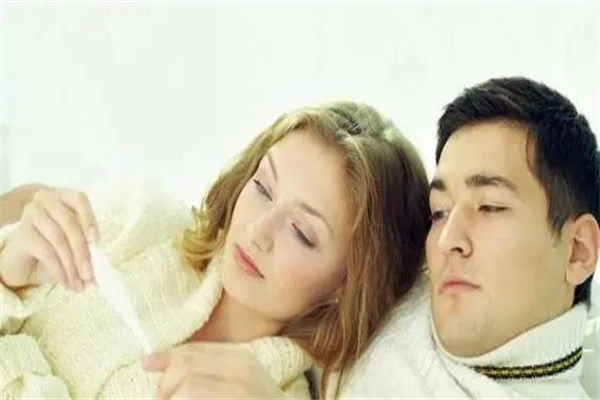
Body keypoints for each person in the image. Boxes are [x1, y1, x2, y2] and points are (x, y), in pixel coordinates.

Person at [0, 101, 431, 399]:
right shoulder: (140, 218)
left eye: (301, 232)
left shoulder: (270, 395)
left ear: (347, 284)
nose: (258, 230)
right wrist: (5, 272)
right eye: (263, 187)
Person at [339, 77, 599, 398]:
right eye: (439, 212)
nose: (447, 240)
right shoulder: (384, 289)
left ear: (578, 251)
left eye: (490, 207)